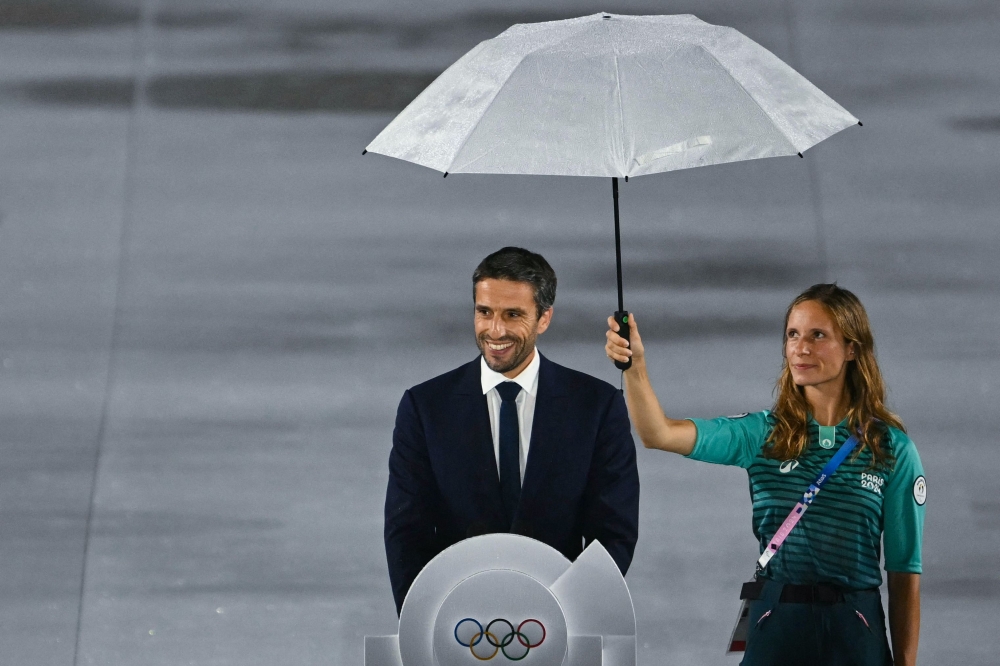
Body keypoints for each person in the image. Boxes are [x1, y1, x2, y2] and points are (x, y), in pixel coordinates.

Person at [605, 283, 924, 666]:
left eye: (817, 335)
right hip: (776, 620)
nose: (800, 347)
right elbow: (658, 433)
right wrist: (636, 367)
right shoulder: (762, 433)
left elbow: (905, 571)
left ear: (852, 348)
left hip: (854, 626)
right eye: (793, 335)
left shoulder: (891, 449)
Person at [385, 246, 640, 614]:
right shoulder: (425, 408)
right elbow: (406, 536)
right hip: (455, 625)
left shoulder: (596, 407)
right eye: (484, 312)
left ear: (544, 318)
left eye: (513, 315)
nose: (495, 330)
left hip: (561, 625)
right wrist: (426, 626)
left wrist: (564, 619)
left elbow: (614, 534)